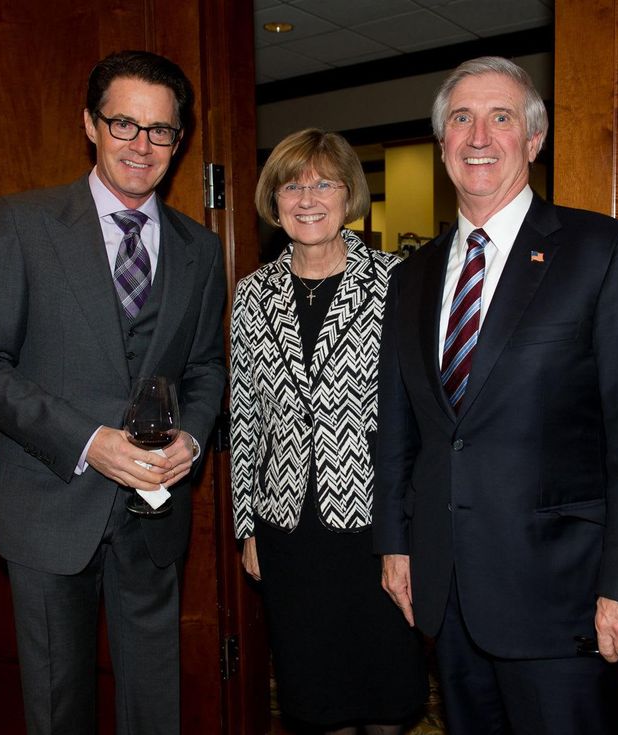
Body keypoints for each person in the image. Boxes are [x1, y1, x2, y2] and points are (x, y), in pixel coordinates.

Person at [373, 57, 618, 734]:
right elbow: (398, 427)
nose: (479, 135)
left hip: (563, 601)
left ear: (534, 141)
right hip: (447, 592)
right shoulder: (412, 275)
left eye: (501, 117)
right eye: (461, 118)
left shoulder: (606, 252)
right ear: (443, 142)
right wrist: (397, 544)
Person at [0, 50, 226, 735]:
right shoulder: (21, 222)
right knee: (58, 704)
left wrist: (189, 437)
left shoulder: (200, 247)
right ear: (89, 125)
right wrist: (89, 441)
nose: (141, 144)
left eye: (160, 130)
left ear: (179, 140)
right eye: (123, 123)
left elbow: (207, 367)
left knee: (153, 704)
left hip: (155, 515)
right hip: (48, 506)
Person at [231, 129, 427, 735]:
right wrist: (247, 527)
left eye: (323, 183)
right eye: (292, 184)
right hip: (289, 531)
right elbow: (244, 420)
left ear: (350, 196)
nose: (307, 197)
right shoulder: (251, 295)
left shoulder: (400, 283)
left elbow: (424, 415)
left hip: (378, 529)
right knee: (317, 700)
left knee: (389, 696)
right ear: (274, 198)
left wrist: (417, 529)